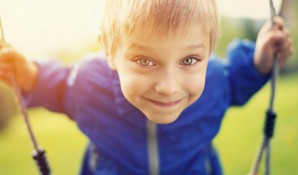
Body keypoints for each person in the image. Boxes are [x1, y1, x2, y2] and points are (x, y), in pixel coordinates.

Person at [0, 0, 292, 174]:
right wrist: (29, 75)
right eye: (144, 60)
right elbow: (59, 87)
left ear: (210, 49)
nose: (168, 86)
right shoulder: (90, 84)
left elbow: (236, 80)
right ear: (110, 51)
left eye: (189, 59)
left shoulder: (214, 79)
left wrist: (260, 61)